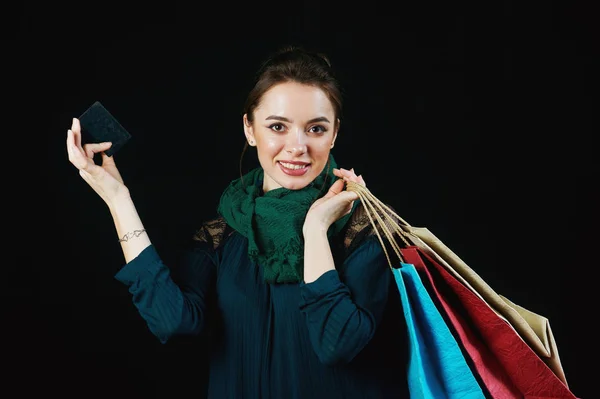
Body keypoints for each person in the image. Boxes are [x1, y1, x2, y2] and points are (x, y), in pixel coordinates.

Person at [66, 45, 409, 398]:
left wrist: (316, 229)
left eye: (316, 129)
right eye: (278, 126)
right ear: (249, 128)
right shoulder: (224, 232)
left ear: (334, 133)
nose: (297, 146)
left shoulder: (366, 229)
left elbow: (336, 343)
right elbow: (174, 320)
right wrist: (118, 198)